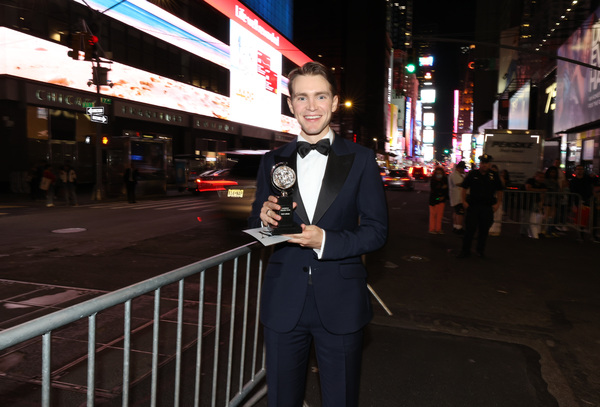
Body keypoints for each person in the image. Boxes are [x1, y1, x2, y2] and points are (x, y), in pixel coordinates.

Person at [248, 61, 388, 406]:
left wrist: (324, 240)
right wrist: (264, 220)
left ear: (335, 102)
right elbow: (257, 217)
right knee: (281, 400)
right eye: (302, 98)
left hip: (341, 301)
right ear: (291, 104)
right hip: (283, 301)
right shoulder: (271, 160)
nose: (311, 107)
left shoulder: (362, 159)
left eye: (320, 96)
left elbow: (376, 231)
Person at [457, 154, 503, 258]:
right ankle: (465, 251)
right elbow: (464, 187)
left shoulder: (494, 175)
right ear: (480, 164)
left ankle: (480, 251)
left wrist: (498, 204)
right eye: (482, 163)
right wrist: (463, 201)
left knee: (484, 231)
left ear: (489, 164)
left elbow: (500, 190)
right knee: (469, 230)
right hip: (473, 206)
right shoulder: (473, 174)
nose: (484, 165)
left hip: (487, 207)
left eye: (486, 163)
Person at [521, 171, 547, 238]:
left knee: (535, 219)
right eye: (540, 177)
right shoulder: (530, 181)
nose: (542, 179)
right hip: (526, 202)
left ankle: (534, 233)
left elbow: (544, 192)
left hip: (535, 203)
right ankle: (524, 233)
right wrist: (539, 190)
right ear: (536, 176)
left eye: (543, 177)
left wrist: (541, 205)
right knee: (526, 218)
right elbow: (528, 188)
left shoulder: (543, 184)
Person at [429, 166, 449, 234]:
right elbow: (434, 191)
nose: (439, 175)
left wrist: (443, 196)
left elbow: (446, 190)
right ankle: (432, 229)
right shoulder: (433, 181)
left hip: (441, 200)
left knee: (439, 215)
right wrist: (439, 196)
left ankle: (438, 229)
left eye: (440, 173)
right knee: (433, 215)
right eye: (437, 173)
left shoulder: (444, 180)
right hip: (434, 201)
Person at [448, 161, 466, 234]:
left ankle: (455, 226)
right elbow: (458, 183)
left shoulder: (456, 174)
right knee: (460, 213)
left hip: (456, 197)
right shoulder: (455, 175)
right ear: (459, 168)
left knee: (456, 212)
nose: (463, 170)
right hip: (458, 197)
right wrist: (467, 181)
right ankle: (459, 227)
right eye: (463, 168)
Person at [488, 164, 505, 236]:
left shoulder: (499, 178)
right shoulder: (488, 177)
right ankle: (490, 229)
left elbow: (502, 187)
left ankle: (496, 230)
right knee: (491, 214)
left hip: (497, 197)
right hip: (491, 197)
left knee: (497, 214)